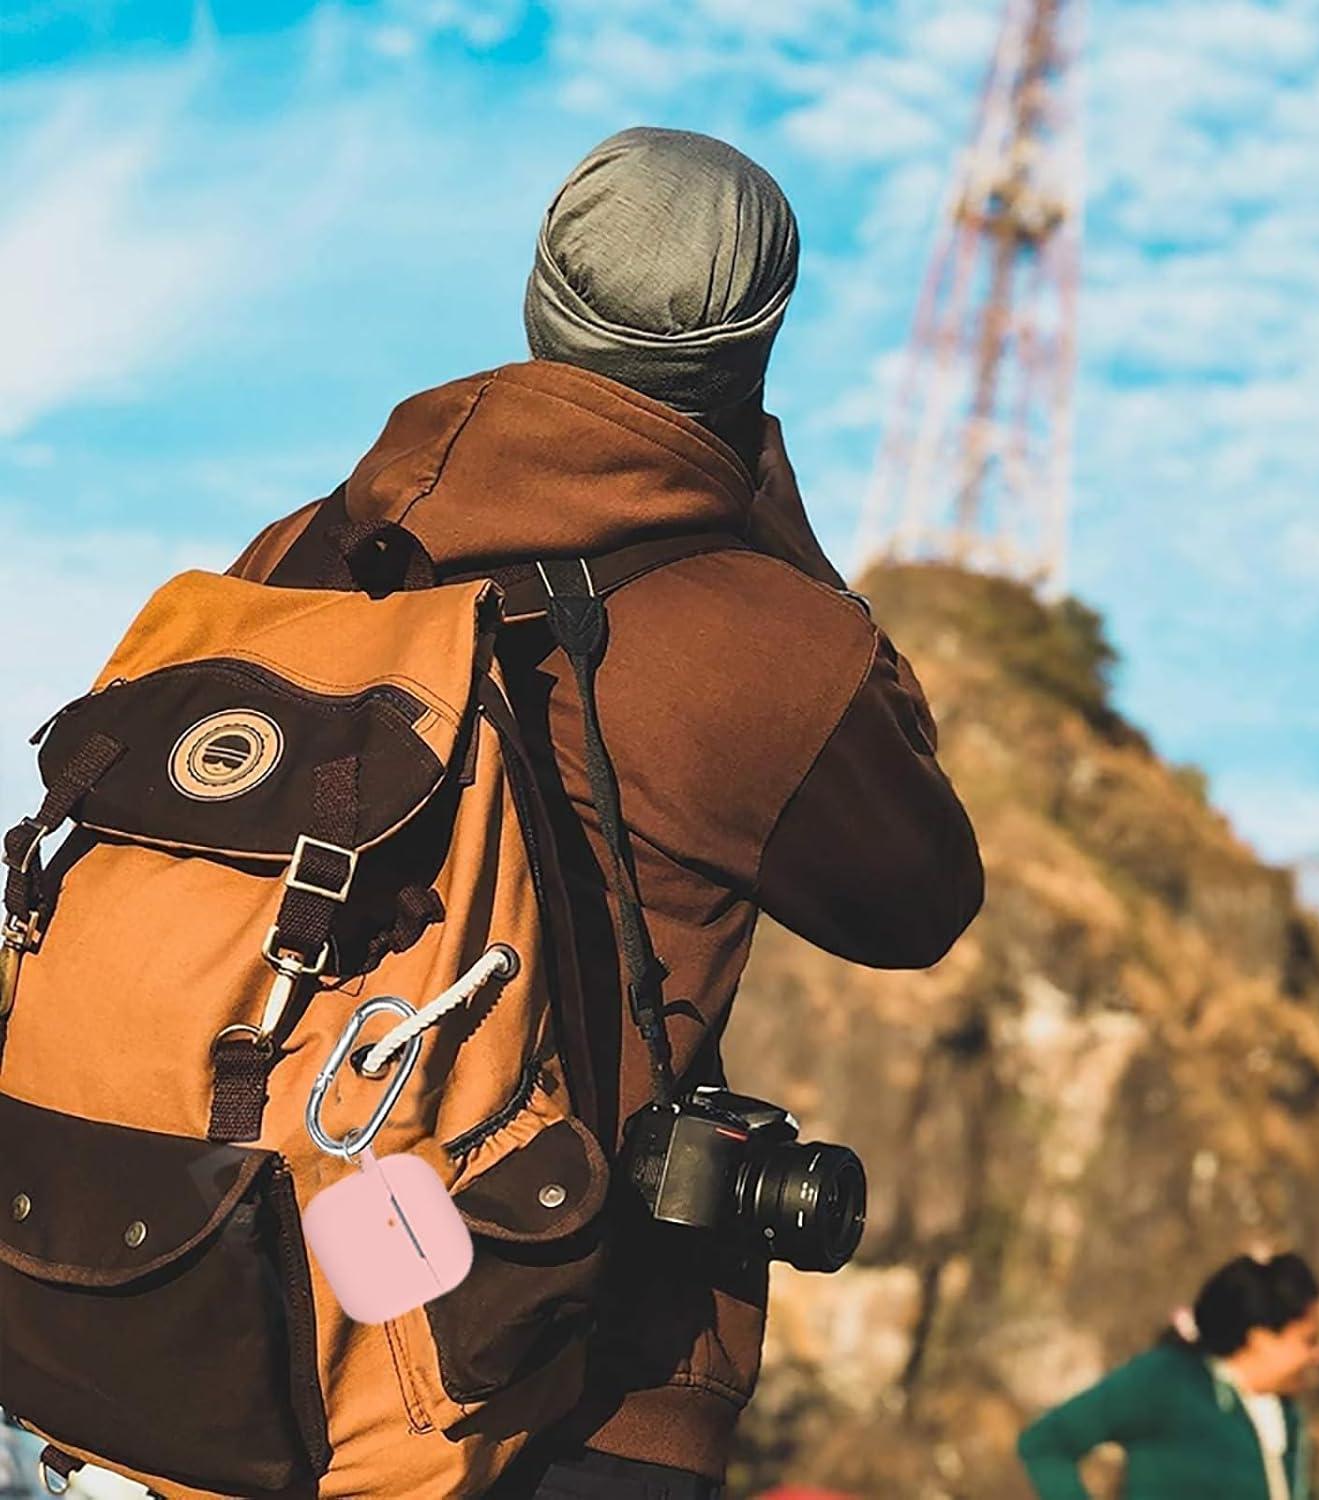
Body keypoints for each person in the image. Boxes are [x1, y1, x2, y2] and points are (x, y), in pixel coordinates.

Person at [229, 127, 984, 1499]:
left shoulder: (298, 556)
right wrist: (791, 549)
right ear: (751, 358)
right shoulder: (757, 645)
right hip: (564, 1388)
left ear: (537, 306)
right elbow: (921, 895)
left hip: (236, 1325)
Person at [1017, 1252, 1319, 1500]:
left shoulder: (1286, 1417)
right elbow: (1045, 1444)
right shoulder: (1167, 1381)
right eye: (1308, 1341)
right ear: (1259, 1338)